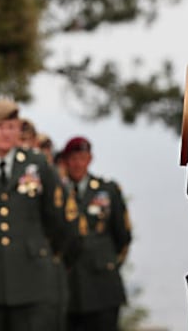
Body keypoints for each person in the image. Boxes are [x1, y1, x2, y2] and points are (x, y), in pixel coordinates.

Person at [0, 98, 74, 331]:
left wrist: (44, 252)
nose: (6, 134)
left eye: (11, 127)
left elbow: (57, 218)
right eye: (0, 127)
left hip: (30, 279)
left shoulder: (37, 164)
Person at [61, 136, 132, 331]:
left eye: (82, 158)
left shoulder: (107, 190)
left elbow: (122, 235)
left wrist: (108, 261)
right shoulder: (59, 191)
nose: (78, 164)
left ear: (90, 159)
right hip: (70, 287)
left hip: (103, 286)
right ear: (66, 161)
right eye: (73, 159)